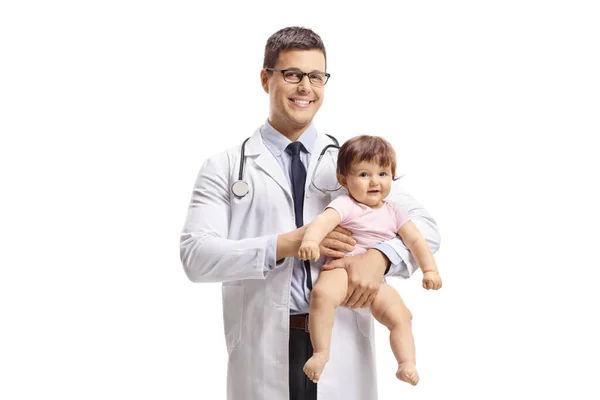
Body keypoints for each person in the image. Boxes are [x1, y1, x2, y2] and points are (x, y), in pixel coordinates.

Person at [179, 26, 441, 400]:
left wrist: (380, 258)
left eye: (316, 76)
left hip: (342, 336)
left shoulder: (353, 164)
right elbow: (195, 257)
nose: (306, 87)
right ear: (265, 79)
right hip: (262, 344)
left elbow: (425, 229)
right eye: (292, 74)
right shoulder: (224, 167)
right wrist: (287, 244)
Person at [297, 135, 442, 386]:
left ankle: (406, 363)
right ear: (344, 180)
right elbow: (322, 223)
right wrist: (310, 241)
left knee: (401, 315)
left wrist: (430, 270)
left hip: (376, 280)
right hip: (339, 269)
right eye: (364, 175)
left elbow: (417, 241)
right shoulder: (345, 204)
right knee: (322, 296)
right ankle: (321, 353)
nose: (375, 181)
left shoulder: (394, 210)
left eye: (383, 174)